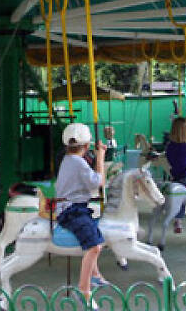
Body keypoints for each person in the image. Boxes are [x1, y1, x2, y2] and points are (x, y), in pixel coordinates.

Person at [55, 123, 107, 304]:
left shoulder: (69, 159)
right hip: (71, 210)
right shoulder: (77, 162)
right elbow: (98, 182)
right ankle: (83, 289)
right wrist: (100, 157)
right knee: (95, 247)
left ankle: (95, 274)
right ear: (86, 147)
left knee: (95, 230)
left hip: (75, 207)